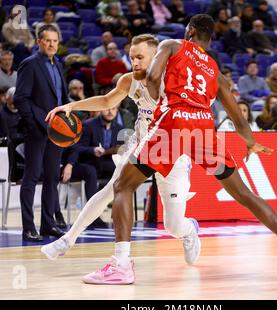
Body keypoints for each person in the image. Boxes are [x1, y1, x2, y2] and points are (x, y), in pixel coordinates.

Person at [73, 14, 277, 284]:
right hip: (204, 127)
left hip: (174, 123)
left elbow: (154, 76)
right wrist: (250, 142)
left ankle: (121, 265)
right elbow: (235, 113)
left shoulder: (171, 45)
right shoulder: (213, 68)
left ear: (190, 31)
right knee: (244, 194)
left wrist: (160, 104)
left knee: (123, 186)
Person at [42, 34, 200, 273]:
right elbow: (106, 101)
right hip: (141, 146)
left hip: (172, 154)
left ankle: (189, 231)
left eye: (139, 57)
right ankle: (67, 240)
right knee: (112, 190)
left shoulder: (177, 82)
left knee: (173, 226)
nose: (134, 62)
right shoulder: (129, 81)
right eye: (131, 57)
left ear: (157, 57)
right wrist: (71, 106)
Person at [13, 25, 68, 242]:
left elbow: (60, 99)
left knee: (52, 178)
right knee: (31, 178)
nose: (52, 44)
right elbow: (20, 98)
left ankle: (48, 224)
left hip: (57, 132)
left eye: (55, 40)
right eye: (48, 40)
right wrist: (34, 123)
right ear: (39, 42)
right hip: (37, 131)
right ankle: (28, 227)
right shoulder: (30, 64)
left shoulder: (58, 65)